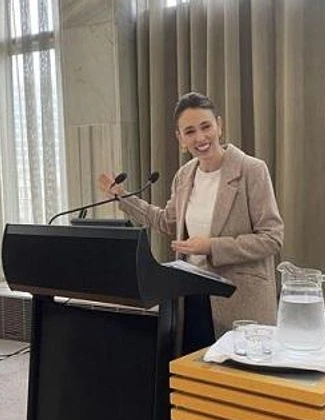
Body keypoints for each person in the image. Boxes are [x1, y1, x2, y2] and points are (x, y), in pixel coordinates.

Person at [98, 91, 284, 353]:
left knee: (238, 387)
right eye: (190, 131)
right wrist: (122, 197)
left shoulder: (251, 170)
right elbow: (166, 221)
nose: (200, 138)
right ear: (180, 139)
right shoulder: (184, 176)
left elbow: (271, 238)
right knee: (195, 382)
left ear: (219, 125)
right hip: (193, 298)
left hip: (240, 300)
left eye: (206, 127)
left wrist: (211, 246)